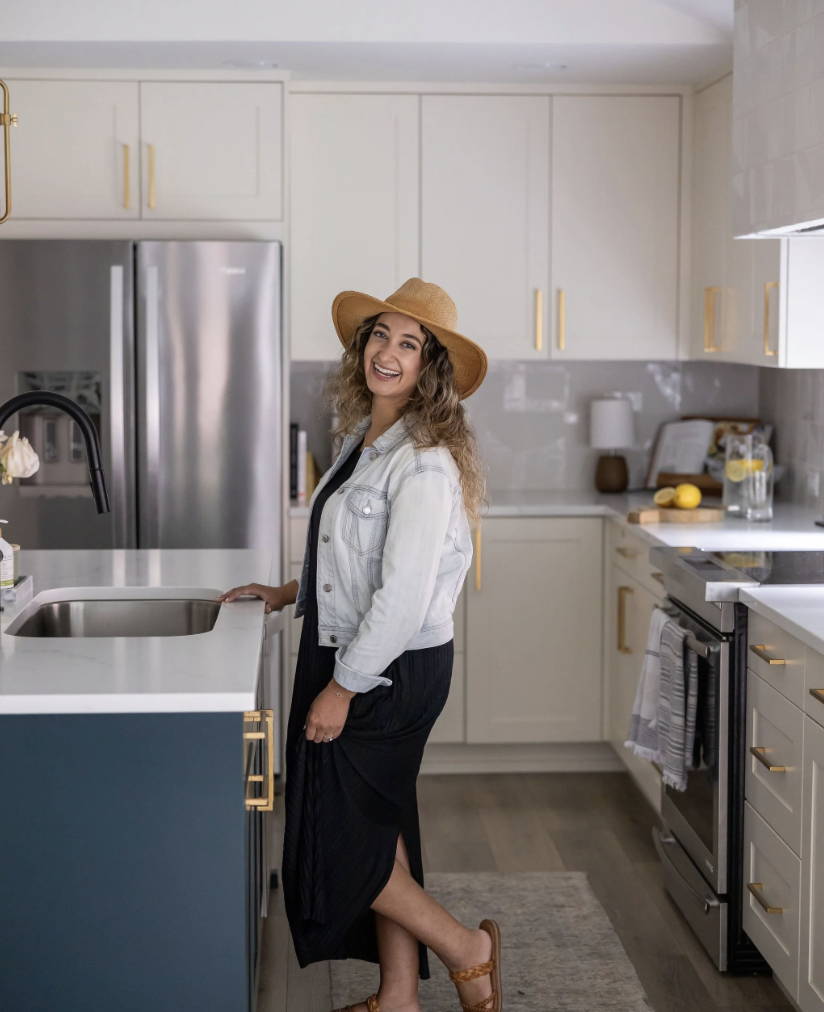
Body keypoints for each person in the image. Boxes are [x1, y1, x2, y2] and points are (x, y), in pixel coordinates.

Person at [218, 278, 501, 1012]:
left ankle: (470, 951)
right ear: (363, 345)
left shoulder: (426, 464)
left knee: (342, 845)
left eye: (410, 344)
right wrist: (288, 593)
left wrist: (343, 687)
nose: (389, 352)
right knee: (380, 833)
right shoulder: (363, 440)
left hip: (385, 670)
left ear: (429, 366)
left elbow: (402, 598)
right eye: (382, 335)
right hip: (350, 650)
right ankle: (399, 996)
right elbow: (353, 561)